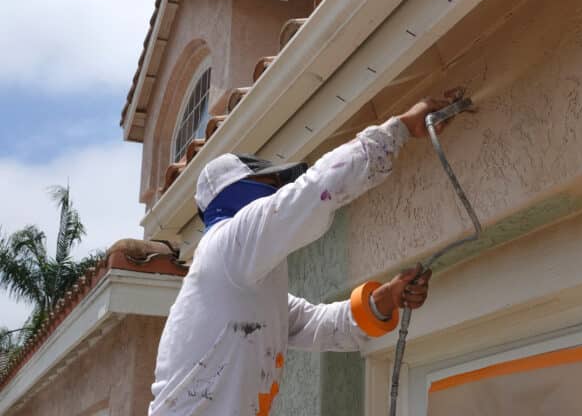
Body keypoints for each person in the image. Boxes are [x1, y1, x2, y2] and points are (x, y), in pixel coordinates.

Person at [148, 97, 451, 415]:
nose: (280, 191)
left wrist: (386, 299)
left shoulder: (246, 286)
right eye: (271, 183)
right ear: (239, 193)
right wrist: (399, 129)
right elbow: (315, 190)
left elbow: (320, 325)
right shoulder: (227, 245)